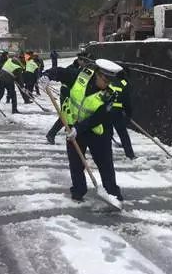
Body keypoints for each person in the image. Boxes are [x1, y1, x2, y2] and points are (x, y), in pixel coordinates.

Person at [40, 58, 124, 202]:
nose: (107, 84)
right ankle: (78, 192)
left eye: (110, 81)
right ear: (97, 74)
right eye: (105, 80)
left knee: (105, 164)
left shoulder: (110, 94)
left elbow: (99, 117)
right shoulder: (80, 77)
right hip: (72, 125)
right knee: (75, 162)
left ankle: (113, 194)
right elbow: (61, 73)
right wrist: (47, 75)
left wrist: (79, 128)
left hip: (97, 131)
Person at [45, 53, 86, 144]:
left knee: (70, 115)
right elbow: (62, 74)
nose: (84, 63)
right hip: (66, 92)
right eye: (82, 60)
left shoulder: (82, 68)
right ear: (79, 60)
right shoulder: (72, 68)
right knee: (66, 114)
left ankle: (68, 129)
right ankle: (51, 134)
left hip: (73, 92)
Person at [109, 70, 135, 159]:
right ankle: (130, 154)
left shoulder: (111, 82)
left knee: (107, 133)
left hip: (106, 111)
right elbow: (127, 101)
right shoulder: (124, 84)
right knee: (123, 134)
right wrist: (129, 114)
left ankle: (105, 154)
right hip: (117, 112)